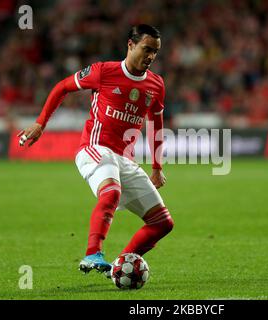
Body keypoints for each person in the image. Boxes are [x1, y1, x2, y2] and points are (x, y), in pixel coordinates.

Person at [18, 24, 174, 275]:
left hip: (125, 159)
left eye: (155, 52)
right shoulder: (103, 71)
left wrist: (157, 167)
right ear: (130, 45)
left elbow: (156, 125)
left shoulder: (156, 84)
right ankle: (92, 254)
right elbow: (62, 87)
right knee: (111, 192)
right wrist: (40, 124)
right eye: (146, 49)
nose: (151, 57)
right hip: (95, 147)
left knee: (162, 223)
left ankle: (121, 265)